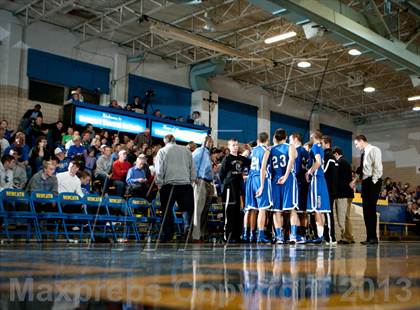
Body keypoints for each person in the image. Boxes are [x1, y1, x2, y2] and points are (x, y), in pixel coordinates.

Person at [155, 134, 196, 242]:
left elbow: (159, 169)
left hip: (169, 185)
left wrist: (159, 183)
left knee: (167, 210)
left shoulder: (163, 151)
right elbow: (192, 166)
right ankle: (187, 233)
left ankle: (168, 235)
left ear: (165, 142)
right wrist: (192, 179)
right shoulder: (186, 150)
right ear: (174, 141)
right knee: (187, 210)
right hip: (185, 184)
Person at [265, 129, 302, 244]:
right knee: (292, 209)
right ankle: (293, 235)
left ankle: (279, 237)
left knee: (277, 210)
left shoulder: (271, 149)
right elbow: (291, 160)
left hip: (275, 179)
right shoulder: (290, 146)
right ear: (285, 137)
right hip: (288, 178)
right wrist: (286, 176)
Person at [219, 139, 251, 243]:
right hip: (229, 188)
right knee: (229, 212)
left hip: (238, 188)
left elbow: (251, 161)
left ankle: (237, 236)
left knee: (238, 212)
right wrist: (225, 186)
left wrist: (250, 149)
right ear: (229, 147)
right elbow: (221, 174)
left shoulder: (242, 158)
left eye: (237, 145)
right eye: (233, 145)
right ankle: (227, 236)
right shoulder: (227, 158)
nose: (235, 147)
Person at [354, 134, 383, 245]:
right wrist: (355, 181)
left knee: (371, 209)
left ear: (361, 141)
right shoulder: (363, 154)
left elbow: (378, 167)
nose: (356, 147)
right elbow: (362, 169)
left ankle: (373, 238)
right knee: (366, 210)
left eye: (357, 144)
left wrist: (374, 181)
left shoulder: (374, 149)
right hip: (365, 182)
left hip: (373, 181)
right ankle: (369, 237)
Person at [305, 130, 331, 244]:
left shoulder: (315, 146)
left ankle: (320, 236)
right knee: (321, 210)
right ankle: (321, 235)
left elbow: (319, 162)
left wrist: (309, 172)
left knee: (317, 209)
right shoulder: (320, 147)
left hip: (317, 179)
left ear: (313, 136)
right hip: (321, 179)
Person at [247, 132, 272, 244]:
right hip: (258, 178)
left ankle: (252, 234)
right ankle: (260, 235)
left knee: (252, 208)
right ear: (267, 139)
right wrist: (262, 185)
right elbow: (262, 169)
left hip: (250, 179)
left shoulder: (254, 150)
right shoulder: (265, 151)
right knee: (262, 208)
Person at [191, 135, 214, 242]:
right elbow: (191, 164)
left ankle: (202, 234)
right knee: (198, 210)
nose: (211, 143)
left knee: (205, 211)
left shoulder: (207, 154)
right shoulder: (199, 151)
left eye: (211, 142)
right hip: (200, 181)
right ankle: (195, 236)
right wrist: (193, 177)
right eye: (209, 141)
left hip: (208, 183)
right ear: (205, 142)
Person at [289, 133, 310, 240]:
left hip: (298, 183)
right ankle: (303, 233)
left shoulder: (296, 151)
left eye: (290, 139)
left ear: (295, 139)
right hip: (305, 183)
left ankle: (297, 233)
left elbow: (296, 170)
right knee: (303, 211)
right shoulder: (306, 152)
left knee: (296, 209)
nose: (289, 142)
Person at [332, 147, 355, 244]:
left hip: (342, 194)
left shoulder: (340, 162)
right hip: (348, 193)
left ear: (336, 154)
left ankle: (346, 237)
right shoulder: (345, 162)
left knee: (342, 217)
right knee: (346, 216)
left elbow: (336, 179)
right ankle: (349, 236)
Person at [321, 135, 338, 244]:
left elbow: (323, 171)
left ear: (327, 144)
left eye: (322, 143)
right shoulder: (332, 156)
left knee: (328, 213)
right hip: (331, 189)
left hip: (328, 189)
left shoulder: (328, 155)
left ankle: (331, 237)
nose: (320, 146)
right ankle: (328, 236)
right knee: (327, 213)